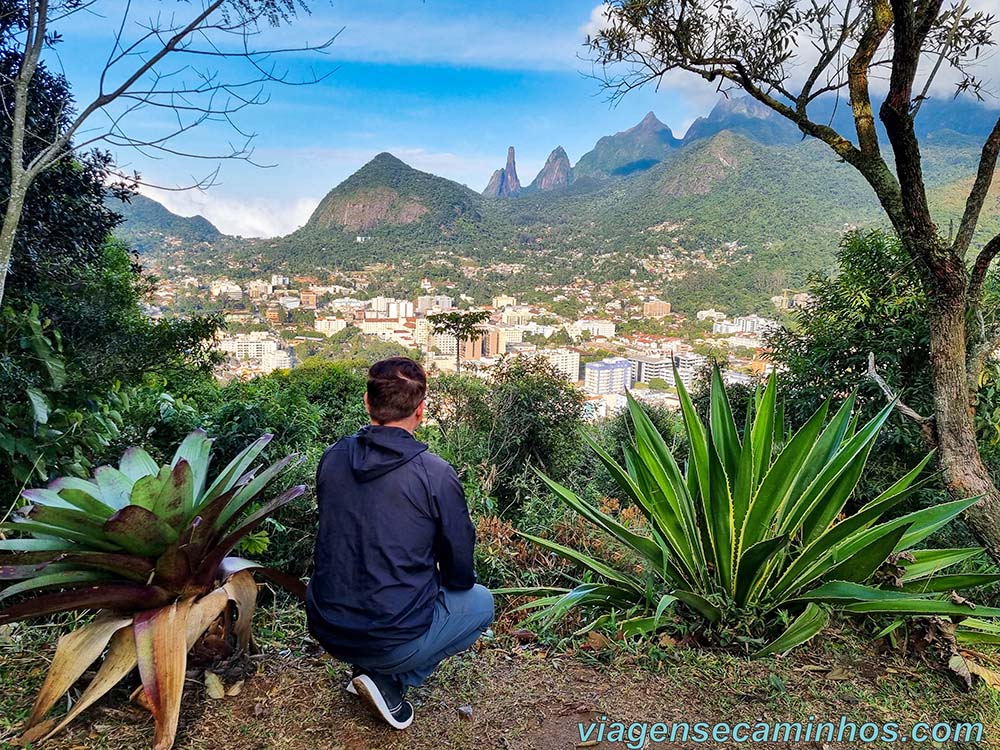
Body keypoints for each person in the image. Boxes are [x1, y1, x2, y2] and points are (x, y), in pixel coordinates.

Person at [306, 356, 494, 730]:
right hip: (390, 634)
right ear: (421, 410)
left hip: (327, 624)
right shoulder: (434, 474)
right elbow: (459, 568)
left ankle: (366, 668)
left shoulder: (333, 457)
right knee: (480, 603)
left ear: (367, 402)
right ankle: (389, 682)